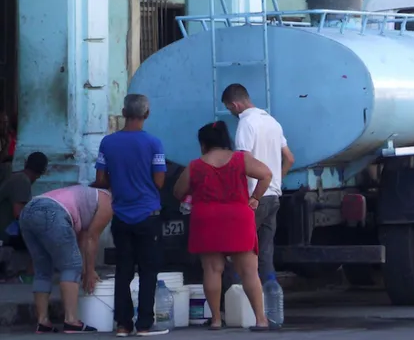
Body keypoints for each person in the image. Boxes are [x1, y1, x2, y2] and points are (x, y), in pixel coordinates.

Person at [173, 121, 276, 331]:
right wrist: (255, 198)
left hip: (206, 218)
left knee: (212, 269)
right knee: (249, 271)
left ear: (203, 144)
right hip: (238, 216)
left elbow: (177, 192)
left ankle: (216, 320)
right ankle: (260, 319)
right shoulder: (240, 159)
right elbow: (266, 174)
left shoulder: (195, 165)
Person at [91, 94, 169, 336]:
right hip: (148, 214)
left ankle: (123, 324)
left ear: (124, 113)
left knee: (123, 270)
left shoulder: (108, 143)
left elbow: (101, 180)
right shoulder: (154, 143)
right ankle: (144, 323)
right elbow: (159, 181)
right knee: (148, 270)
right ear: (146, 114)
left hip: (121, 215)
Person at [221, 84, 295, 279]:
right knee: (265, 253)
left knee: (237, 250)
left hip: (254, 197)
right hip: (273, 197)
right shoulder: (272, 122)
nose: (231, 113)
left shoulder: (246, 124)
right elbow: (289, 158)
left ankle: (238, 299)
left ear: (235, 105)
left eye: (229, 109)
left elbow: (242, 161)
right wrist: (277, 180)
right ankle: (270, 297)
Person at [18, 184, 113, 333]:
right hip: (51, 212)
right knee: (71, 266)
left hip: (28, 211)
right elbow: (92, 238)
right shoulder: (108, 202)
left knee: (43, 270)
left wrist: (86, 268)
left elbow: (83, 239)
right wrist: (89, 270)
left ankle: (43, 322)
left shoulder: (89, 196)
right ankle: (71, 320)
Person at [0, 152, 48, 249]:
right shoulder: (22, 180)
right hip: (6, 234)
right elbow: (19, 214)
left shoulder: (18, 177)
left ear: (26, 163)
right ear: (43, 171)